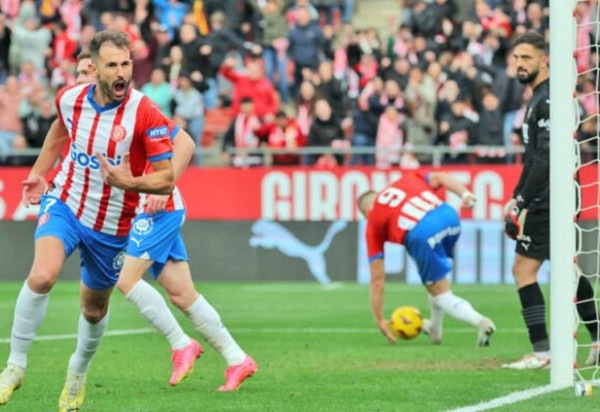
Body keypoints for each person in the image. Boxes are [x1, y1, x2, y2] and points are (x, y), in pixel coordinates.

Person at [0, 30, 183, 411]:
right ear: (94, 68)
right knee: (42, 275)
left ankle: (77, 375)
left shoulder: (144, 111)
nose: (121, 72)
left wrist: (129, 181)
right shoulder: (70, 99)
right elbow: (58, 131)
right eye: (112, 65)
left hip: (113, 224)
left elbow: (166, 177)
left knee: (93, 309)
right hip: (66, 202)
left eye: (126, 64)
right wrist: (39, 171)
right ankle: (14, 367)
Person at [501, 31, 600, 369]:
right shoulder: (539, 97)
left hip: (549, 197)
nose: (519, 64)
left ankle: (542, 351)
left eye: (526, 58)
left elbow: (544, 157)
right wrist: (517, 197)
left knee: (523, 269)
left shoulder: (550, 98)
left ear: (544, 59)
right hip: (553, 194)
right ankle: (598, 339)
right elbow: (532, 157)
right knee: (570, 269)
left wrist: (522, 201)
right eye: (516, 58)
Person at [357, 171, 496, 346]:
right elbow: (442, 177)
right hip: (450, 217)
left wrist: (379, 320)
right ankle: (435, 330)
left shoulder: (372, 223)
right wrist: (465, 194)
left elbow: (377, 282)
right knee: (434, 282)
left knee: (440, 293)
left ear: (366, 210)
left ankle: (481, 322)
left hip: (422, 234)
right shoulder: (405, 179)